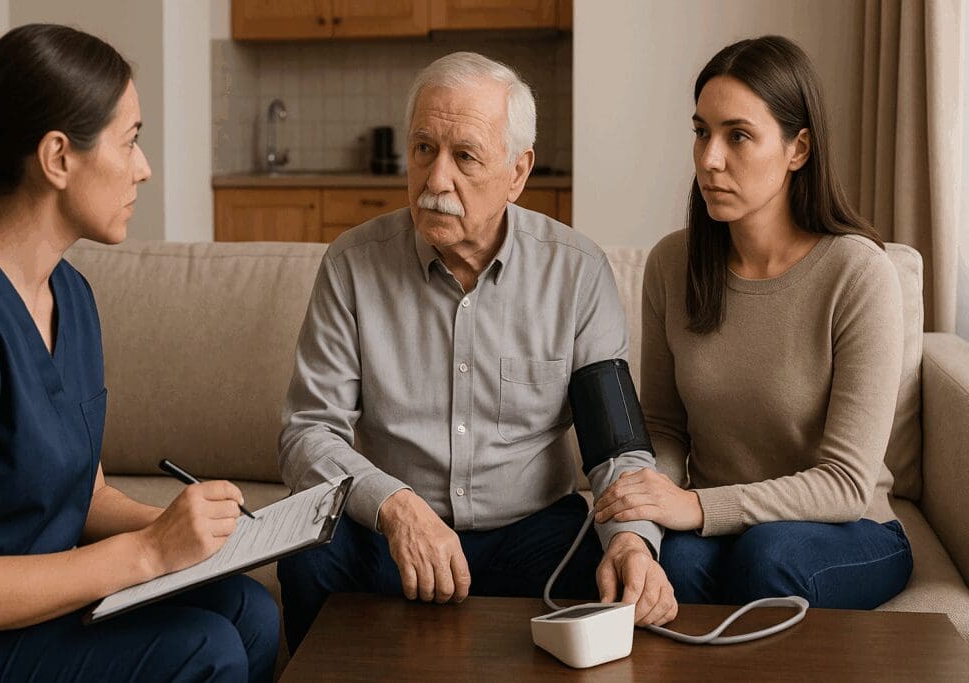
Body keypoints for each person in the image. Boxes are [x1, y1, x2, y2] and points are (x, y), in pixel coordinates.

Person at [276, 51, 676, 652]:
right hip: (395, 528)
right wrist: (395, 508)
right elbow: (308, 434)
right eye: (423, 150)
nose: (437, 180)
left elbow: (615, 448)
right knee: (309, 562)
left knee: (606, 579)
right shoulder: (352, 265)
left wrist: (633, 540)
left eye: (464, 156)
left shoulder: (577, 272)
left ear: (518, 172)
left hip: (533, 534)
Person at [0, 24, 278, 682]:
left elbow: (83, 494)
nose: (144, 167)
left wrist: (191, 531)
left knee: (249, 608)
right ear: (58, 158)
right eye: (130, 140)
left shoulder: (72, 292)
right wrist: (150, 552)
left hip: (48, 601)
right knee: (206, 649)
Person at [593, 35, 913, 608]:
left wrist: (695, 507)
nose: (710, 159)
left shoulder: (858, 273)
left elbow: (845, 483)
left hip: (850, 529)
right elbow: (664, 426)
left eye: (738, 135)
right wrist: (647, 507)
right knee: (667, 571)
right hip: (726, 530)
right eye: (701, 132)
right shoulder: (672, 264)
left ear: (798, 148)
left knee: (768, 558)